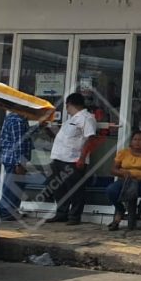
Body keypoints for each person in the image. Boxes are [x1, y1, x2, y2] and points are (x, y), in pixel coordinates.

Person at [46, 93, 101, 225]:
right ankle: (61, 213)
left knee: (75, 189)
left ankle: (74, 216)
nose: (66, 108)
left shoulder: (86, 118)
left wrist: (82, 158)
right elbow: (62, 137)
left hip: (73, 159)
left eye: (67, 105)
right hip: (59, 157)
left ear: (70, 104)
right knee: (59, 188)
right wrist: (47, 128)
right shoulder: (70, 120)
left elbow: (90, 139)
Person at [106, 129, 141, 231]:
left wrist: (139, 178)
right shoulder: (123, 152)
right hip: (125, 181)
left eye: (140, 140)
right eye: (135, 139)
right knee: (110, 190)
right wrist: (123, 173)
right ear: (131, 141)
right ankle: (120, 209)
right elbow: (113, 169)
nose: (137, 142)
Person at [0, 110, 33, 221]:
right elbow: (19, 143)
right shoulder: (17, 121)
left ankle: (11, 212)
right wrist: (19, 163)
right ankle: (5, 212)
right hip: (15, 160)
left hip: (14, 159)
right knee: (12, 187)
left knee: (16, 187)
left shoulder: (18, 119)